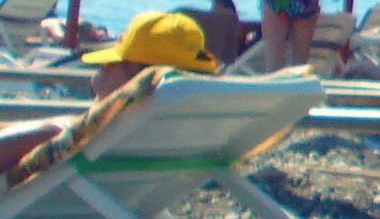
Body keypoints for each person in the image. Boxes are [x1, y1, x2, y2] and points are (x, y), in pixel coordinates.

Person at [0, 12, 222, 176]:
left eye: (110, 63)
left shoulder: (55, 134)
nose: (102, 66)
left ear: (135, 82)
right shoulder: (156, 137)